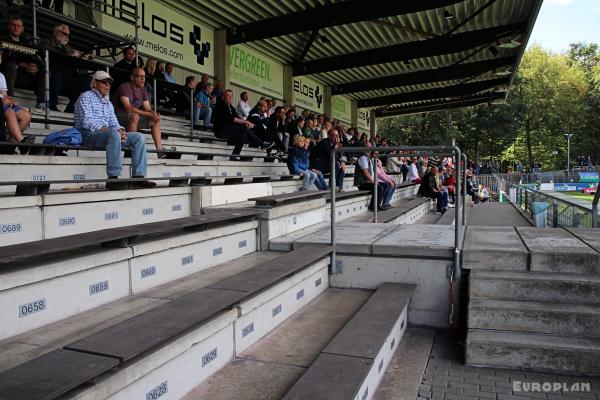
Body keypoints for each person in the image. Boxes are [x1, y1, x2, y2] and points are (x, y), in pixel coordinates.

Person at [74, 71, 155, 189]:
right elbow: (87, 122)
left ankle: (139, 177)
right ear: (94, 83)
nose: (108, 85)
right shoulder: (85, 97)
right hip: (87, 134)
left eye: (110, 82)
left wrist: (120, 131)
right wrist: (111, 131)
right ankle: (113, 178)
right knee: (114, 134)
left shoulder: (108, 103)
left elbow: (114, 123)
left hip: (107, 135)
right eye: (104, 82)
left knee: (139, 137)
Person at [39, 23, 90, 112]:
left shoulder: (68, 47)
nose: (67, 37)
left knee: (87, 81)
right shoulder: (46, 42)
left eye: (68, 35)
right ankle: (52, 104)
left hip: (65, 81)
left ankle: (72, 108)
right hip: (52, 78)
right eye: (64, 34)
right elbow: (50, 59)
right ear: (55, 32)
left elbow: (74, 62)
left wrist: (82, 58)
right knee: (57, 74)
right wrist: (70, 55)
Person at [112, 67, 164, 152]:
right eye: (139, 76)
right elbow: (128, 108)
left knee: (155, 120)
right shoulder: (125, 87)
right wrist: (148, 114)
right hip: (116, 118)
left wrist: (154, 114)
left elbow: (148, 108)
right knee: (135, 115)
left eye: (144, 76)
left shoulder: (143, 90)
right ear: (132, 77)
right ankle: (130, 148)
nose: (143, 79)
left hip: (131, 118)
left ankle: (159, 150)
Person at [212, 89, 272, 159]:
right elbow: (233, 119)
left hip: (230, 132)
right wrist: (246, 122)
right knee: (243, 127)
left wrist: (246, 123)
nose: (231, 98)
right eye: (229, 96)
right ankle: (261, 144)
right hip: (221, 131)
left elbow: (237, 118)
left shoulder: (232, 108)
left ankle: (234, 156)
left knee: (243, 135)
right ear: (223, 97)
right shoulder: (220, 105)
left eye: (231, 96)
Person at [1, 16, 45, 107]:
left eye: (18, 26)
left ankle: (41, 102)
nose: (16, 28)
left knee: (42, 69)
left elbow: (33, 57)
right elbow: (4, 60)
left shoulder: (26, 41)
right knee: (12, 65)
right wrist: (24, 65)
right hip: (6, 76)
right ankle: (11, 98)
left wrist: (33, 65)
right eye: (13, 25)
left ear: (22, 29)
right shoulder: (2, 38)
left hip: (22, 76)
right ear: (8, 26)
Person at [0, 60, 33, 150]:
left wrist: (9, 100)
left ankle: (11, 146)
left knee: (26, 115)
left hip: (3, 102)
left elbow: (4, 94)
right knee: (10, 112)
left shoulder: (1, 76)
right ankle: (22, 141)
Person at [354, 146, 393, 211]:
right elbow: (365, 172)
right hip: (362, 183)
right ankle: (373, 206)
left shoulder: (370, 160)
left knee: (386, 185)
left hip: (368, 182)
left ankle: (378, 205)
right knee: (379, 187)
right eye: (375, 153)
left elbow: (375, 173)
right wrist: (373, 181)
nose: (377, 155)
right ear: (371, 153)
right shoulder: (363, 158)